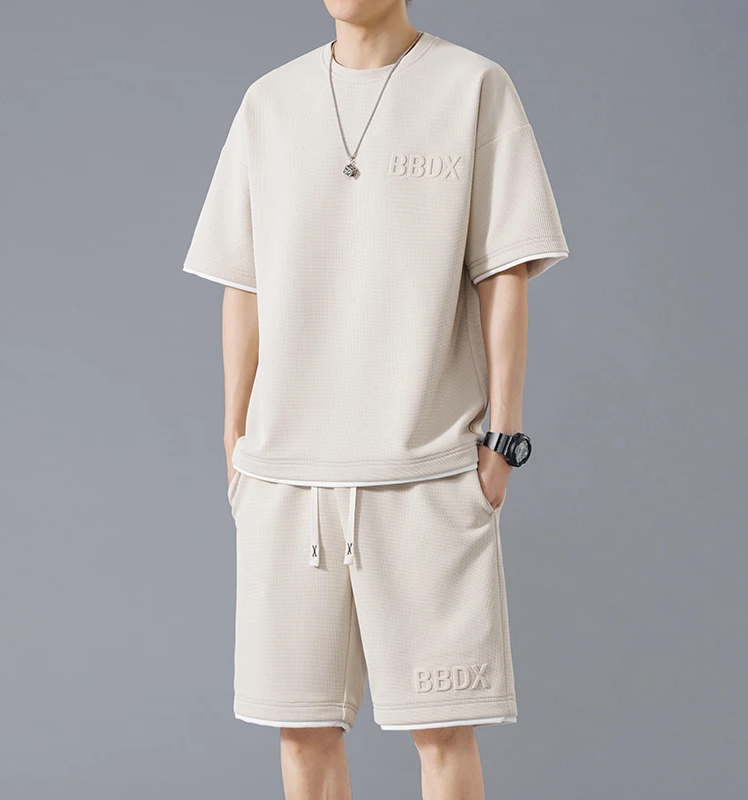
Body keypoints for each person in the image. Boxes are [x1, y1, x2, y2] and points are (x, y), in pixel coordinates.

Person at [183, 1, 569, 797]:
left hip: (428, 470)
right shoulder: (270, 101)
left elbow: (505, 269)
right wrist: (234, 437)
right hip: (286, 477)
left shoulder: (472, 87)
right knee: (302, 734)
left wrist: (504, 438)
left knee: (444, 731)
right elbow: (242, 281)